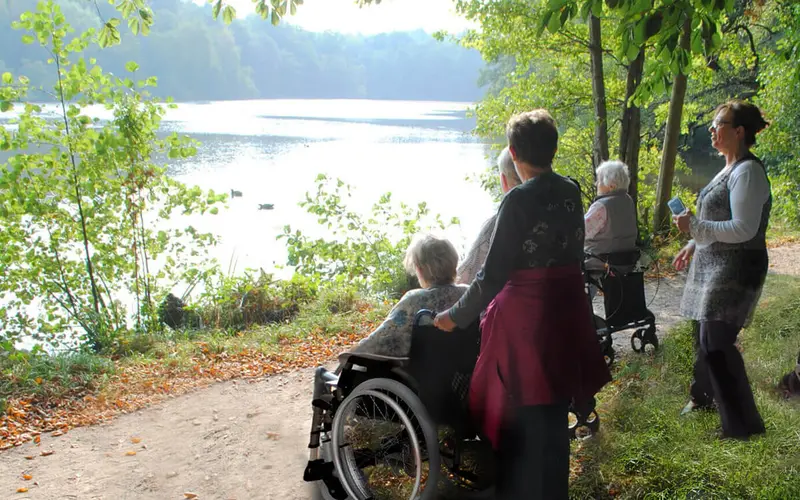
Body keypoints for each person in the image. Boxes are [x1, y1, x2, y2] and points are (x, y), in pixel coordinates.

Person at [433, 109, 611, 499]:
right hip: (565, 312)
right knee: (552, 407)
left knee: (522, 414)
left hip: (527, 322)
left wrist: (453, 318)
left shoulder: (516, 200)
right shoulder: (571, 189)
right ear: (554, 148)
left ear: (513, 152)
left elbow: (491, 276)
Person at [672, 100, 771, 440]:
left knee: (716, 339)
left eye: (719, 124)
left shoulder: (748, 171)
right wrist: (691, 243)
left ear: (739, 131)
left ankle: (743, 425)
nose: (713, 130)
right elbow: (714, 223)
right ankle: (703, 399)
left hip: (738, 265)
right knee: (705, 335)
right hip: (715, 263)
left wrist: (697, 227)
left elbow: (743, 228)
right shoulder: (727, 168)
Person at [351, 233, 467, 357]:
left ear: (420, 269)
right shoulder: (470, 295)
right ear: (453, 263)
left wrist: (348, 354)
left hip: (422, 373)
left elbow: (379, 341)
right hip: (465, 372)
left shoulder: (413, 300)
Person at [456, 147, 522, 284]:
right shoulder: (562, 210)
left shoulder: (496, 224)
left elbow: (465, 277)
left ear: (503, 181)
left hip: (509, 302)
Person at [584, 160, 638, 270]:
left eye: (599, 181)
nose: (596, 184)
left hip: (600, 262)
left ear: (611, 186)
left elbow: (580, 232)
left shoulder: (601, 206)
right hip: (626, 261)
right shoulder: (628, 201)